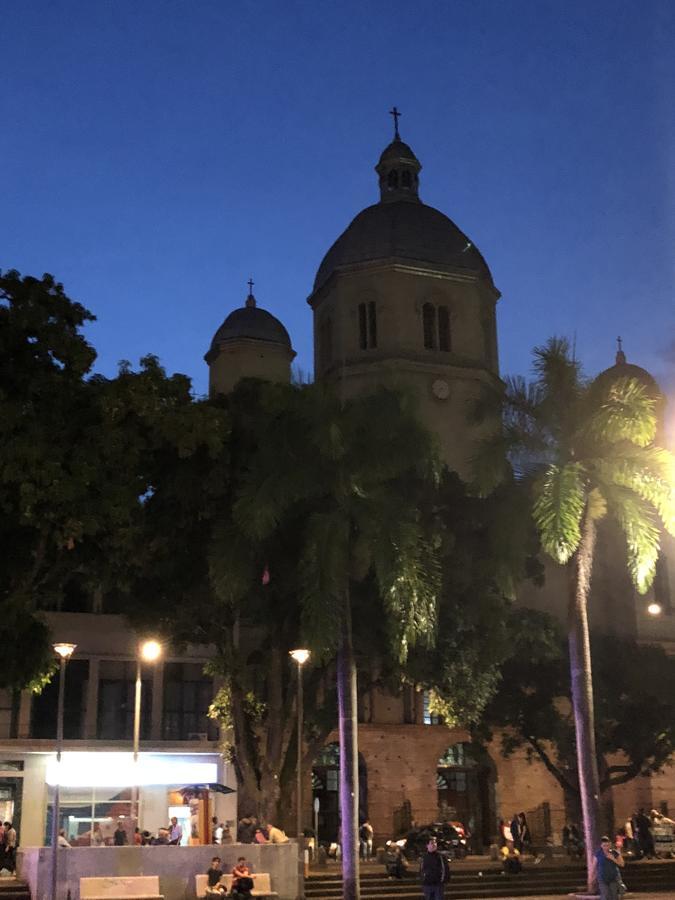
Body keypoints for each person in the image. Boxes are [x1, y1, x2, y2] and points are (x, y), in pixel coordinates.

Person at [594, 835, 625, 900]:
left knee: (614, 896)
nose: (606, 847)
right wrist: (593, 876)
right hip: (602, 878)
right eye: (604, 845)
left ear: (610, 845)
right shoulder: (598, 854)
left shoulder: (614, 853)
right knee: (605, 895)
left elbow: (622, 864)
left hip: (613, 878)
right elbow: (594, 866)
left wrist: (613, 859)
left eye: (607, 845)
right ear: (601, 845)